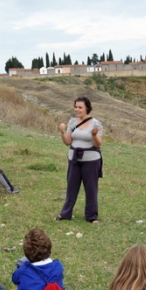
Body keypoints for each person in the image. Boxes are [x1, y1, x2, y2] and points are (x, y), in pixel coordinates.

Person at [55, 96, 103, 224]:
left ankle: (92, 216)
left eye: (80, 107)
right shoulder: (72, 122)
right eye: (75, 107)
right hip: (74, 159)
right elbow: (68, 141)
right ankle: (66, 213)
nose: (77, 109)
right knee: (71, 187)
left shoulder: (96, 123)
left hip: (91, 161)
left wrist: (93, 135)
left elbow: (98, 144)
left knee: (91, 188)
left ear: (87, 108)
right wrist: (62, 132)